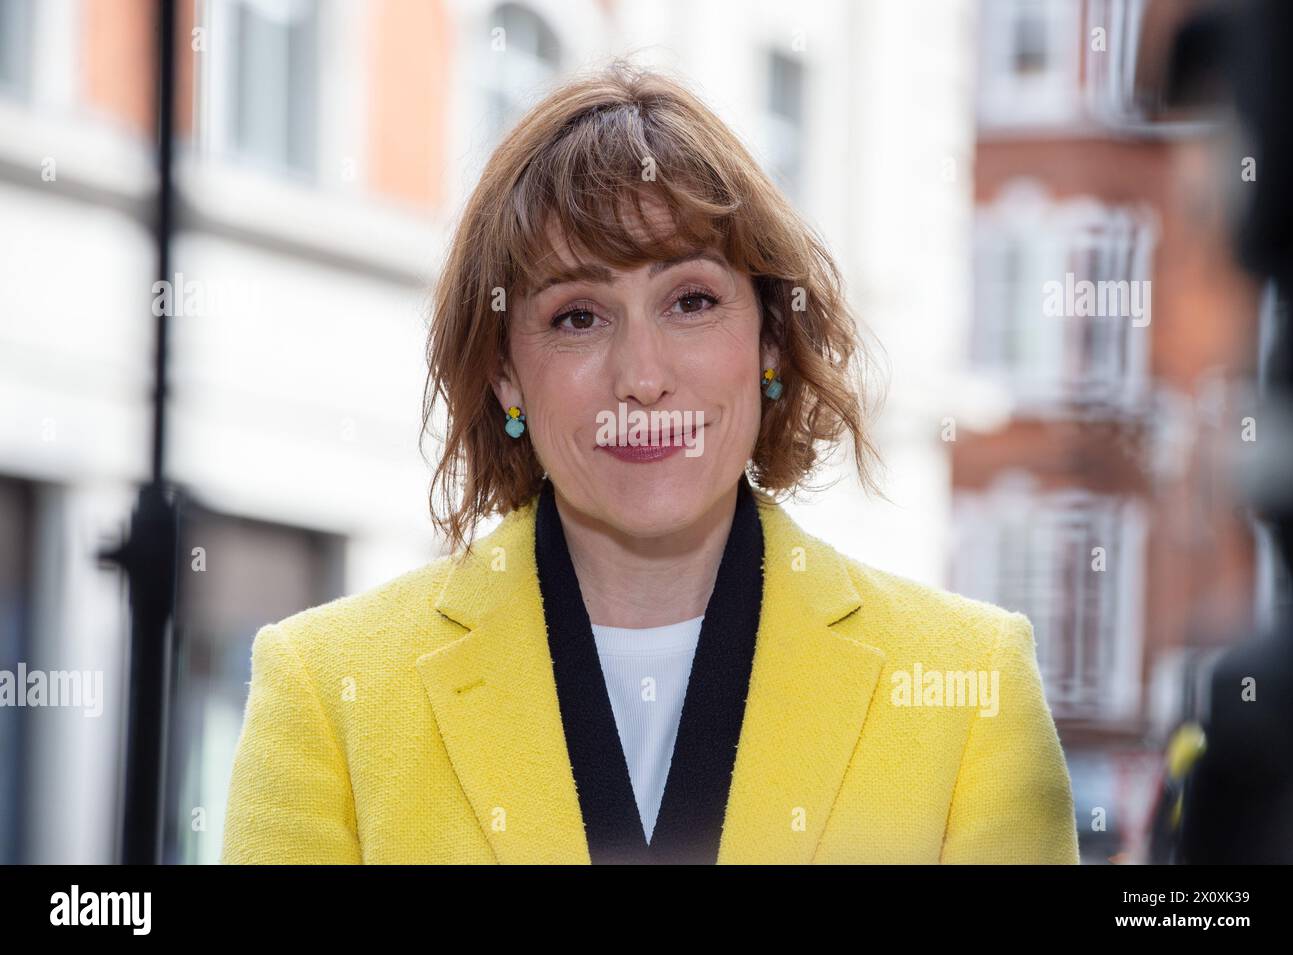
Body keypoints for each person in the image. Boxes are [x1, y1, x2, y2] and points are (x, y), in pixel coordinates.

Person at [220, 61, 1079, 865]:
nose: (642, 377)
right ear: (506, 373)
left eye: (692, 300)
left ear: (770, 338)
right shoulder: (325, 690)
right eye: (578, 317)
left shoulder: (973, 686)